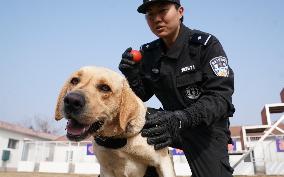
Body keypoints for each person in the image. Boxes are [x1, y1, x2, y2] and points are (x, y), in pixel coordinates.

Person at [119, 0, 235, 177]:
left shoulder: (205, 46)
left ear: (180, 11)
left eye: (163, 11)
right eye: (150, 14)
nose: (157, 19)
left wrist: (182, 118)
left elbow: (220, 99)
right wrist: (132, 74)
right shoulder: (150, 53)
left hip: (206, 130)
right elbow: (142, 95)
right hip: (167, 125)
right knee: (131, 118)